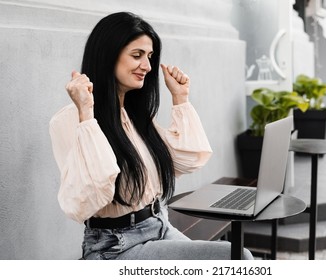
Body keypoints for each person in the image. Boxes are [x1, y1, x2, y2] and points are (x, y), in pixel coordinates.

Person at [49, 12, 253, 260]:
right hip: (116, 247)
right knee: (237, 258)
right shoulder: (71, 121)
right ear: (107, 56)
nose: (147, 66)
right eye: (137, 55)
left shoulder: (135, 116)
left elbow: (188, 160)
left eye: (150, 57)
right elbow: (87, 198)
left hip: (160, 226)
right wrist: (87, 115)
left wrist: (180, 98)